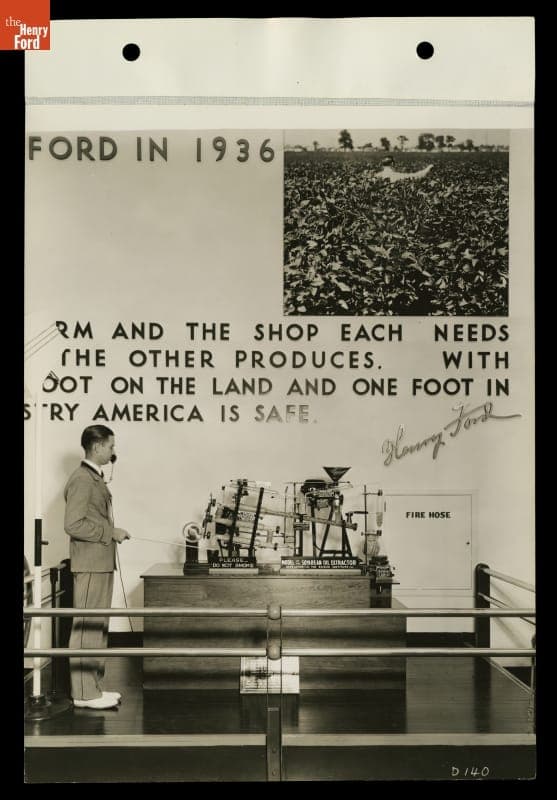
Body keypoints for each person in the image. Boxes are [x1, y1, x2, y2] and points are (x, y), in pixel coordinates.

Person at [64, 425, 131, 709]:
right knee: (87, 627)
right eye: (111, 447)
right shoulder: (82, 479)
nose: (114, 452)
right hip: (90, 563)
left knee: (98, 627)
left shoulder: (95, 478)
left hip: (100, 562)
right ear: (97, 447)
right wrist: (109, 533)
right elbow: (73, 524)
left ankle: (92, 687)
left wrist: (111, 531)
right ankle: (84, 694)